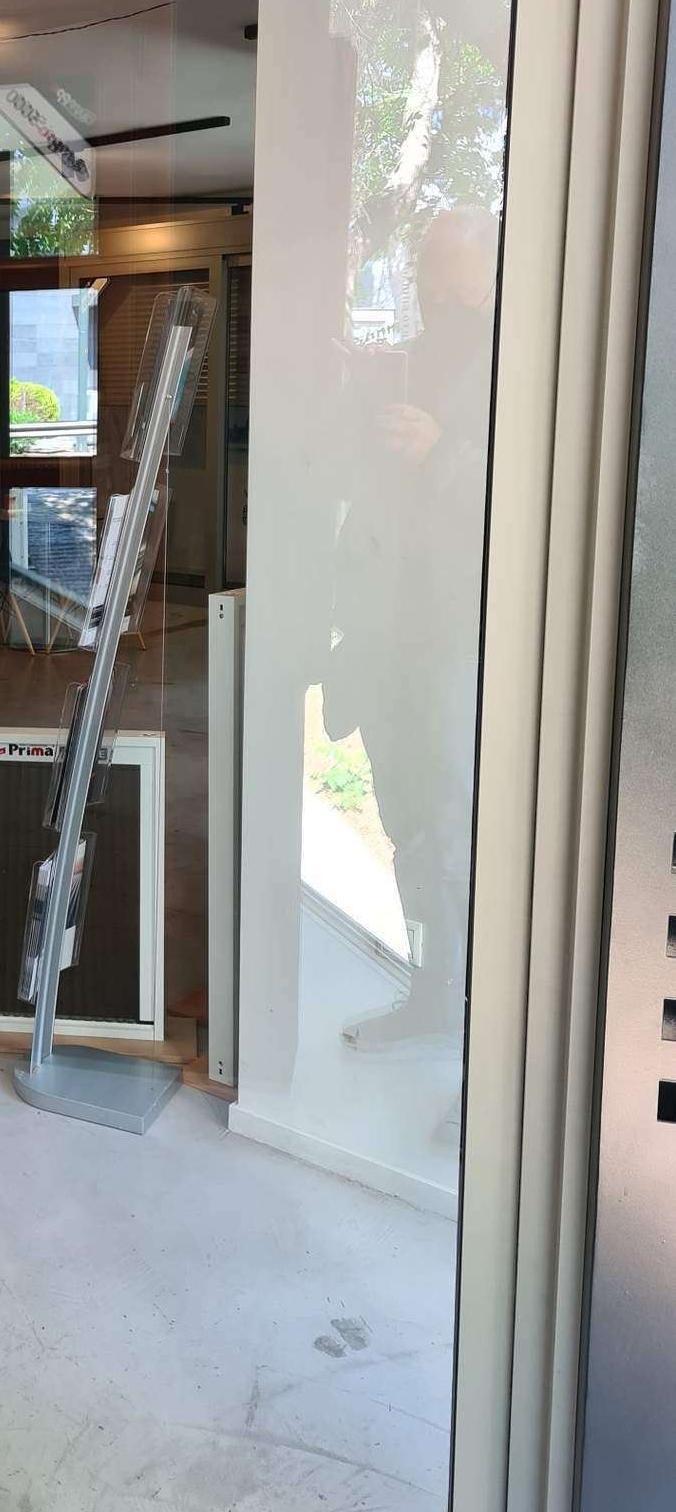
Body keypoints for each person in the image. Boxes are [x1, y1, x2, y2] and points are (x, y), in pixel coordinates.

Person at [322, 205, 500, 1052]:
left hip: (458, 648)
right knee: (407, 833)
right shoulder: (411, 360)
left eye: (451, 274)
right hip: (384, 644)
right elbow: (359, 486)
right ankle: (431, 998)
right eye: (427, 271)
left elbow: (534, 502)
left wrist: (441, 454)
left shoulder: (523, 363)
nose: (434, 289)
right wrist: (352, 401)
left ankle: (475, 1026)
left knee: (454, 836)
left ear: (491, 272)